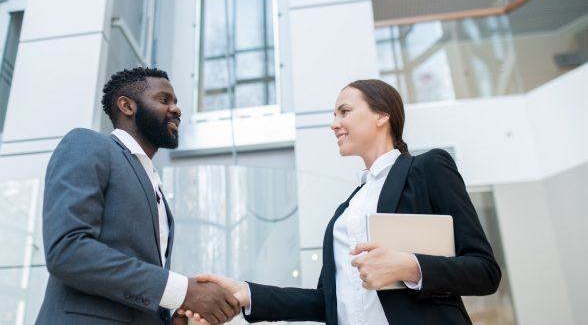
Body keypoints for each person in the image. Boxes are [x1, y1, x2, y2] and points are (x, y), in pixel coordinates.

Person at [181, 79, 501, 325]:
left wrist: (408, 266)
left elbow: (484, 270)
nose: (334, 123)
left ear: (382, 115)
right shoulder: (345, 213)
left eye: (344, 111)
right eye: (334, 115)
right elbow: (327, 302)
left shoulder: (428, 168)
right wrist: (245, 293)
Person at [36, 67, 240, 325]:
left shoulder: (155, 185)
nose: (177, 109)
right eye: (164, 100)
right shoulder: (88, 145)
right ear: (127, 106)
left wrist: (172, 315)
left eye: (176, 102)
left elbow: (138, 285)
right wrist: (183, 292)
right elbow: (68, 250)